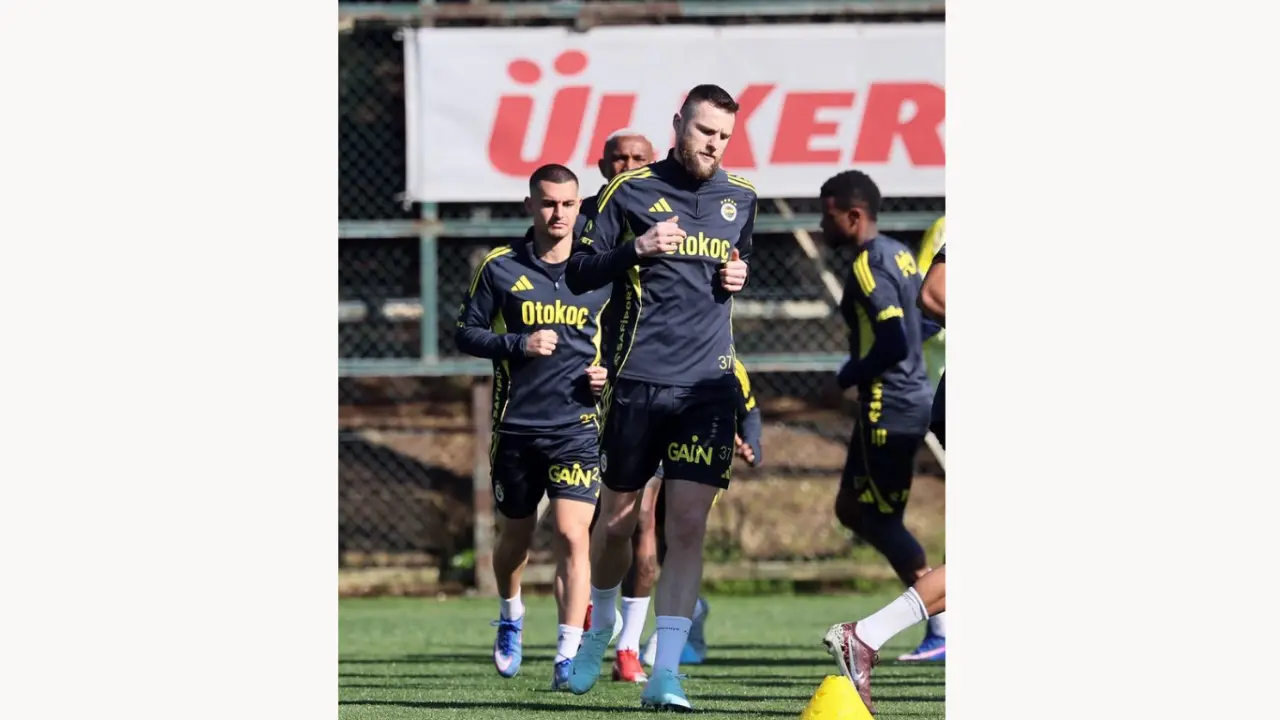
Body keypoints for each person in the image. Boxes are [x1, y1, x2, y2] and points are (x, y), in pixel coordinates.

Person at [563, 83, 756, 712]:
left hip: (708, 387)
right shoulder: (628, 192)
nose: (714, 145)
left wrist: (739, 274)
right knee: (618, 523)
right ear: (678, 124)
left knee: (687, 525)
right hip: (638, 384)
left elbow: (738, 263)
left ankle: (665, 670)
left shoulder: (741, 198)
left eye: (724, 136)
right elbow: (578, 272)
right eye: (705, 131)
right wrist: (635, 250)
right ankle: (599, 631)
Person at [453, 163, 612, 691]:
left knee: (572, 535)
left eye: (567, 204)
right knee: (515, 540)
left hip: (577, 427)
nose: (558, 213)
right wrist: (519, 344)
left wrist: (606, 374)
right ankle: (510, 613)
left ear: (579, 206)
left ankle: (567, 654)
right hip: (516, 428)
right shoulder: (500, 267)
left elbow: (622, 339)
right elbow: (466, 332)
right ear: (530, 206)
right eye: (548, 203)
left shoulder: (598, 271)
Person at [819, 170, 946, 660]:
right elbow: (922, 324)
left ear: (853, 216)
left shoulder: (869, 264)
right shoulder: (899, 253)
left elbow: (894, 340)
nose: (822, 225)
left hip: (890, 404)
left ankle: (942, 624)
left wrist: (845, 377)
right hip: (898, 398)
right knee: (851, 509)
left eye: (828, 215)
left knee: (883, 518)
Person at [635, 357, 764, 673]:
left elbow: (750, 411)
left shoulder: (728, 364)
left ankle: (670, 634)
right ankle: (674, 617)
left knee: (677, 538)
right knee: (642, 528)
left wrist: (752, 444)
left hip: (696, 458)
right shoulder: (651, 352)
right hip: (652, 451)